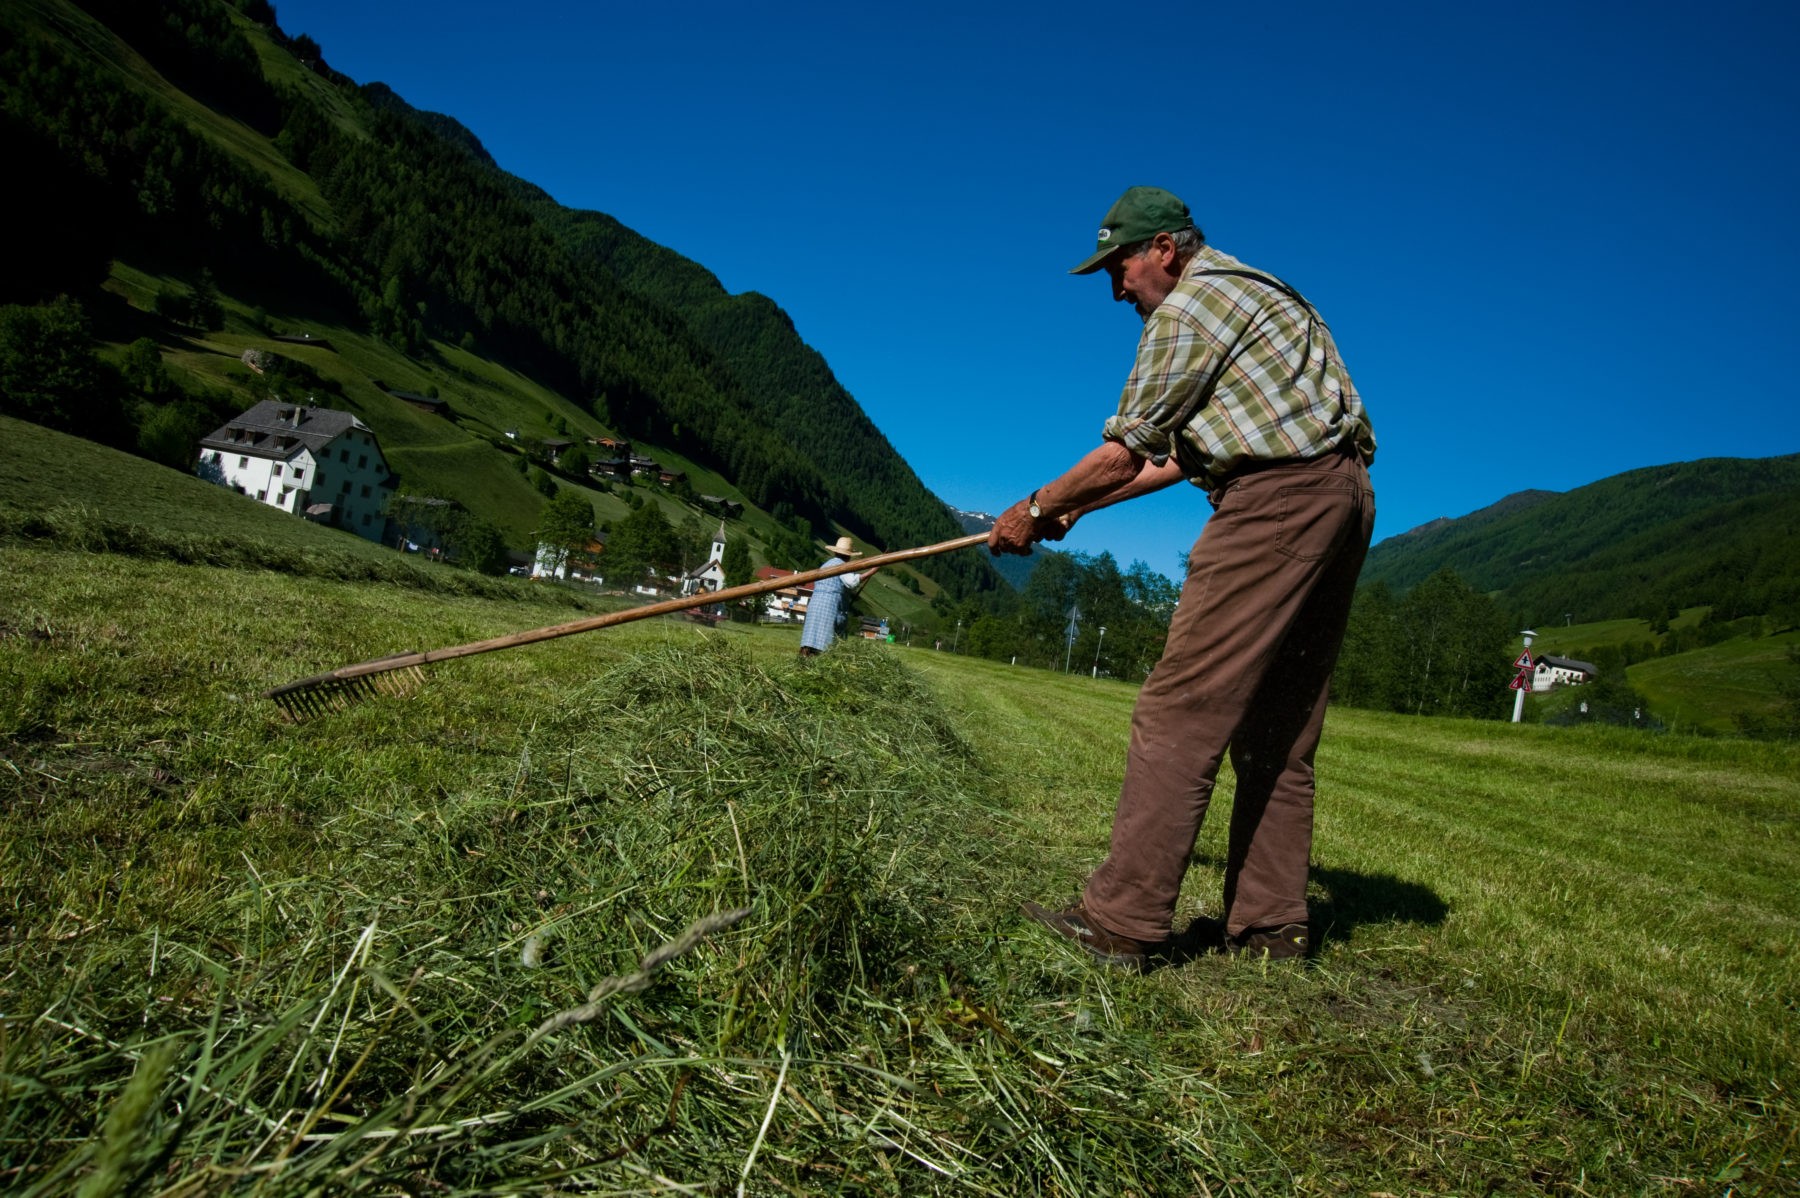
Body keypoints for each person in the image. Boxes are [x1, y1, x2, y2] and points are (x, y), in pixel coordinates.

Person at [990, 186, 1376, 970]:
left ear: (1163, 248)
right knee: (1281, 728)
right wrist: (1082, 510)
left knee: (1180, 710)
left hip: (1274, 503)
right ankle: (1272, 927)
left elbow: (1125, 450)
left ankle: (1121, 922)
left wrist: (1035, 507)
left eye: (1118, 267)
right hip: (1343, 497)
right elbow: (1173, 457)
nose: (1116, 287)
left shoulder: (1186, 311)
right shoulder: (1259, 291)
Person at [799, 536, 880, 657]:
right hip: (829, 607)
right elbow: (852, 582)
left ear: (835, 551)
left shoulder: (826, 564)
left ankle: (805, 660)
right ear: (849, 555)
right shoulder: (842, 566)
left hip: (815, 605)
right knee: (826, 644)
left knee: (811, 637)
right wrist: (871, 572)